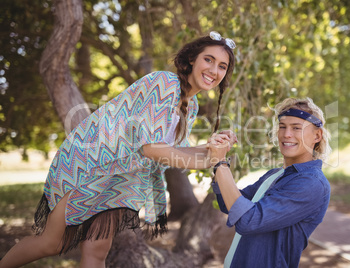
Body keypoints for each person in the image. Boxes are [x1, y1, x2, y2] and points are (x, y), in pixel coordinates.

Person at [0, 31, 237, 268]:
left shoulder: (190, 105)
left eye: (222, 66)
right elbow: (152, 149)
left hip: (122, 181)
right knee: (50, 243)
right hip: (91, 165)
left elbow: (172, 153)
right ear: (193, 59)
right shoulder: (164, 84)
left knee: (97, 250)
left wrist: (214, 149)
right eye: (209, 60)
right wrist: (210, 158)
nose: (214, 70)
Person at [209, 97, 332, 268]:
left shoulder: (312, 183)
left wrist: (220, 162)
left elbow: (248, 220)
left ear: (317, 135)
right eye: (282, 127)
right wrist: (218, 156)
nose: (286, 134)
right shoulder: (275, 175)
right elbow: (228, 204)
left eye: (296, 128)